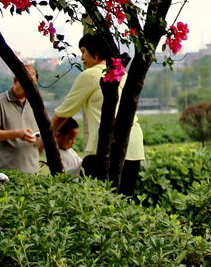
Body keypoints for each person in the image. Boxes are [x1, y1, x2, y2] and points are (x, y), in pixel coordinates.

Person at [51, 34, 144, 195]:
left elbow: (63, 113)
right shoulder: (121, 73)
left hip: (104, 147)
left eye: (84, 52)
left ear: (97, 52)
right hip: (133, 146)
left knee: (93, 202)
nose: (82, 58)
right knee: (123, 202)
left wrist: (40, 142)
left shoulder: (91, 74)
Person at [0, 62, 42, 173]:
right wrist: (17, 134)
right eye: (26, 84)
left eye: (33, 85)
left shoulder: (36, 102)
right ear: (15, 81)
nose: (30, 89)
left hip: (32, 171)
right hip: (6, 171)